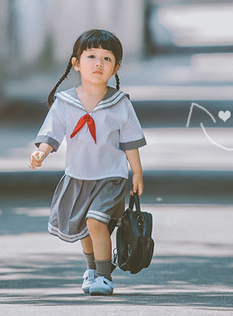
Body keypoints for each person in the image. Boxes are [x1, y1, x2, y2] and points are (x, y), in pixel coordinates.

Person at [29, 29, 146, 296]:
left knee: (96, 221)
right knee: (83, 228)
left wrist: (136, 172)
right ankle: (92, 269)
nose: (98, 64)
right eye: (91, 56)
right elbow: (52, 133)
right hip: (78, 177)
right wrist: (42, 153)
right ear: (76, 63)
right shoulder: (65, 102)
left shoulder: (120, 103)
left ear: (116, 67)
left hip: (110, 177)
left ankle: (104, 277)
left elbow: (130, 141)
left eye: (107, 59)